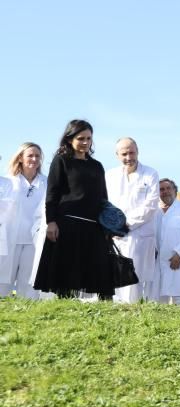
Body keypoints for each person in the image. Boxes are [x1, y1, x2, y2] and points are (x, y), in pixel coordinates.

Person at [34, 120, 115, 299]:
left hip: (94, 226)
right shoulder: (61, 161)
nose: (85, 142)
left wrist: (108, 224)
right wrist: (51, 222)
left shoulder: (97, 166)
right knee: (66, 270)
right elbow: (52, 194)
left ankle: (105, 309)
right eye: (81, 138)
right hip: (67, 223)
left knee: (98, 269)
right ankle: (65, 306)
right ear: (69, 139)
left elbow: (103, 197)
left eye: (89, 138)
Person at [105, 137, 160, 303]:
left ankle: (132, 313)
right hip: (114, 234)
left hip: (139, 234)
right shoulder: (110, 175)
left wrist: (126, 224)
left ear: (138, 152)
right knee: (113, 276)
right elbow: (105, 203)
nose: (129, 157)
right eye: (124, 154)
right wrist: (111, 227)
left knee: (133, 279)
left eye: (132, 152)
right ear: (117, 155)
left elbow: (150, 206)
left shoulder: (150, 174)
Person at [1, 143, 49, 298]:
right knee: (3, 278)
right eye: (30, 155)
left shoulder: (46, 182)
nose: (34, 159)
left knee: (30, 280)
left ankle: (28, 310)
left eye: (37, 156)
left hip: (34, 239)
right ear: (20, 158)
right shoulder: (7, 182)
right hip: (9, 238)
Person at [154, 178, 180, 304]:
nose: (165, 192)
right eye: (161, 189)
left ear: (175, 191)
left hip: (179, 262)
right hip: (158, 265)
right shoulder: (154, 212)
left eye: (168, 188)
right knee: (158, 303)